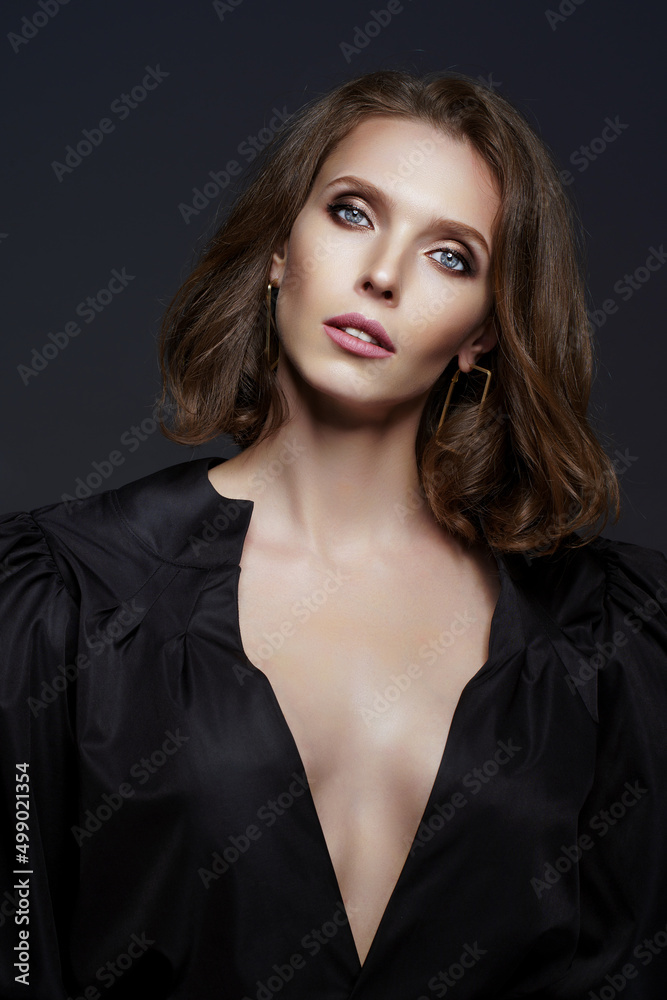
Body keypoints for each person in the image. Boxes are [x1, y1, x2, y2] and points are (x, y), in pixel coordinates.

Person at [1, 69, 666, 1000]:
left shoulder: (611, 643)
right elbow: (19, 951)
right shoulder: (60, 602)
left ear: (482, 334)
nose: (383, 275)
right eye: (353, 213)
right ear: (281, 246)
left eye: (451, 257)